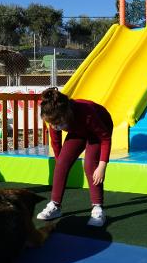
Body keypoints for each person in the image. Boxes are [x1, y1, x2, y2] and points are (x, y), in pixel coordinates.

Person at [36, 87, 113, 227]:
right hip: (78, 130)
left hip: (100, 128)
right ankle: (55, 205)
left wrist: (102, 165)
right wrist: (61, 165)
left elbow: (105, 138)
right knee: (61, 164)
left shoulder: (87, 113)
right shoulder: (53, 117)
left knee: (90, 166)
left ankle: (98, 209)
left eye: (58, 123)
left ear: (67, 113)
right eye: (52, 124)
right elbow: (56, 143)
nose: (55, 126)